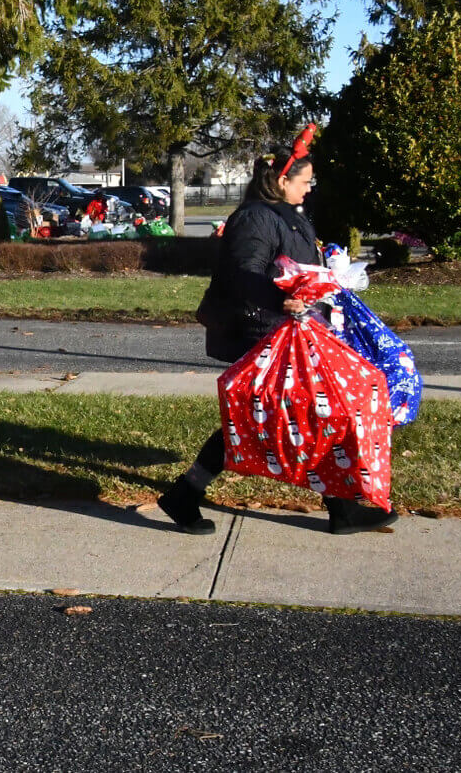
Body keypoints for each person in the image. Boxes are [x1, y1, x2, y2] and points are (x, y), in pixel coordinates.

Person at [157, 148, 400, 536]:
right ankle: (185, 495)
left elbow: (291, 266)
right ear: (281, 181)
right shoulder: (256, 218)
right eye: (304, 181)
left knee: (290, 415)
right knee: (283, 415)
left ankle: (339, 508)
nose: (309, 188)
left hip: (293, 327)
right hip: (263, 328)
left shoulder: (287, 217)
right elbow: (244, 274)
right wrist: (282, 299)